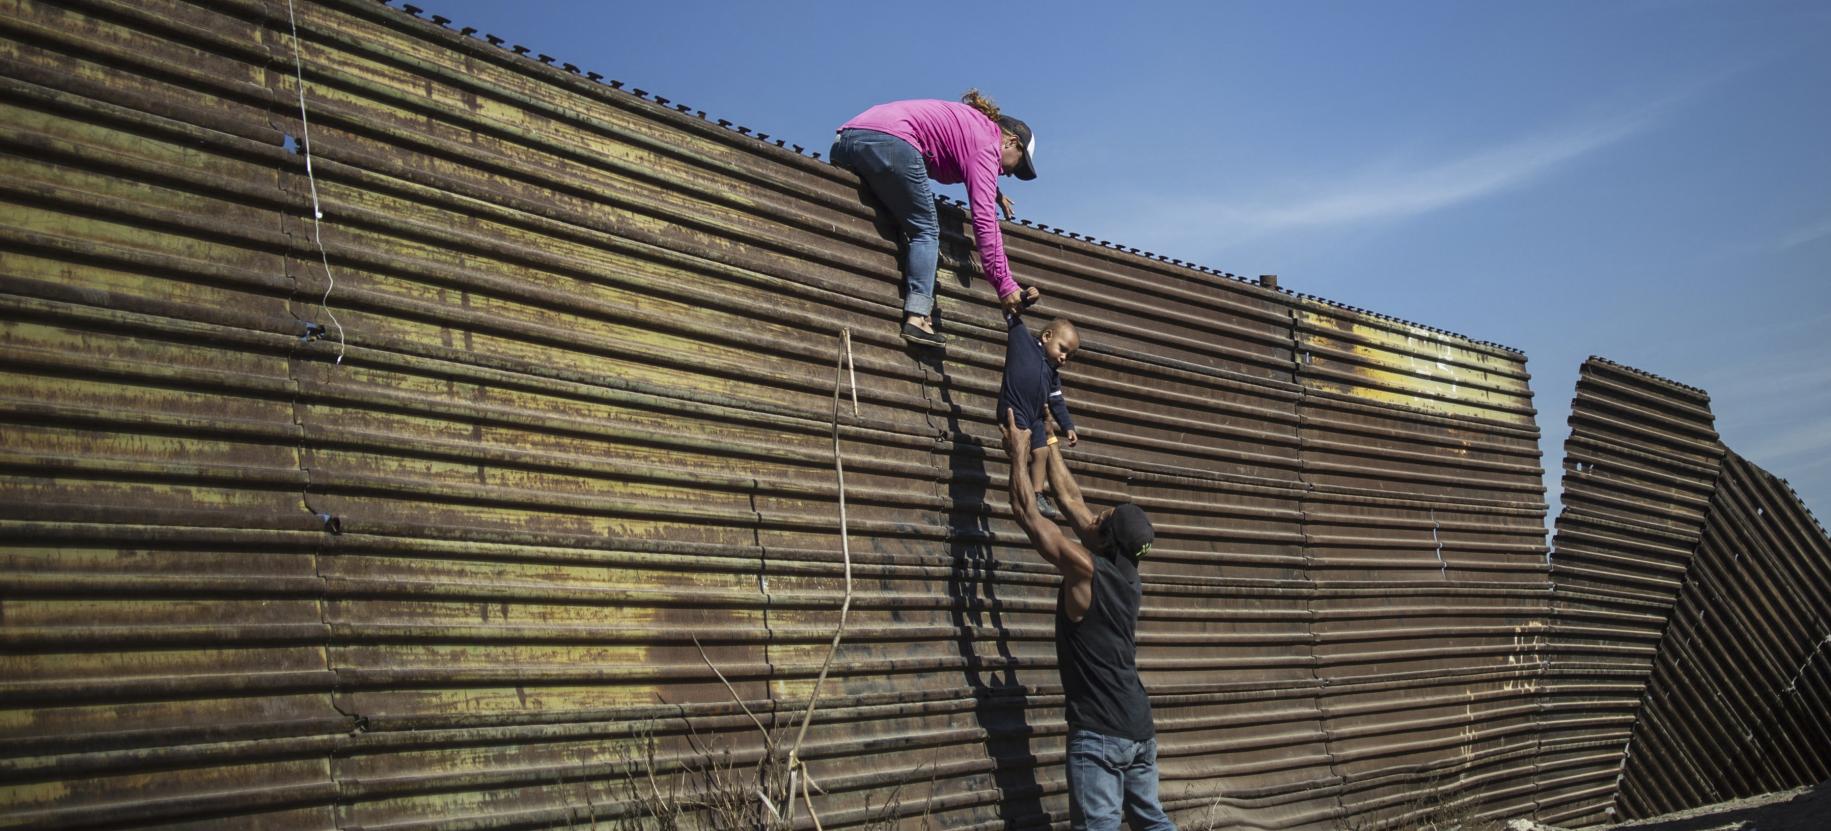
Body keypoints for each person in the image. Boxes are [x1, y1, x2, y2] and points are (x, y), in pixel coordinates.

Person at [999, 410, 1176, 831]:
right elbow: (1072, 500)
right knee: (1152, 822)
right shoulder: (1128, 569)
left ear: (1105, 538)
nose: (1095, 515)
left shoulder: (1085, 569)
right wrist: (1048, 437)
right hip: (1138, 728)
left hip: (1099, 734)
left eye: (1104, 518)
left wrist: (1016, 453)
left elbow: (1028, 515)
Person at [829, 90, 1040, 348]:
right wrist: (1005, 285)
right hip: (892, 141)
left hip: (847, 140)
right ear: (1010, 142)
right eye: (1017, 166)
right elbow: (985, 221)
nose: (1010, 174)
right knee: (926, 230)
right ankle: (917, 317)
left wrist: (995, 193)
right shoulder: (987, 142)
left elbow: (961, 155)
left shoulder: (974, 126)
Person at [998, 313, 1081, 520]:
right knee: (1021, 446)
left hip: (1035, 417)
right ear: (1047, 336)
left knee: (1042, 452)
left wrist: (1068, 426)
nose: (1064, 358)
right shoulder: (1023, 343)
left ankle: (1037, 494)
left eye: (1069, 356)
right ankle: (1020, 492)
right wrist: (1024, 298)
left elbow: (1057, 402)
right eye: (1062, 349)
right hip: (1013, 408)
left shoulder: (1053, 375)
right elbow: (1010, 313)